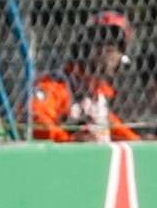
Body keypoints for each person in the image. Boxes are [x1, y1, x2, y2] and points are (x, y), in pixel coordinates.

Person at [33, 10, 138, 141]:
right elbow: (36, 118)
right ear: (85, 46)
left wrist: (141, 142)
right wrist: (68, 140)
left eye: (117, 45)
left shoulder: (99, 94)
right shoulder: (58, 84)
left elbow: (115, 127)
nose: (109, 51)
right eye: (100, 41)